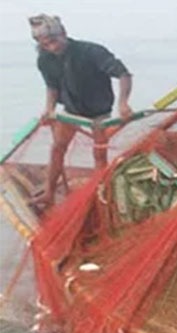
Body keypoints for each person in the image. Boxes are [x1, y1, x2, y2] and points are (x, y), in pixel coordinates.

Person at [29, 14, 133, 209]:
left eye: (54, 41)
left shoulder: (91, 51)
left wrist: (123, 103)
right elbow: (52, 87)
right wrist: (49, 109)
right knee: (57, 148)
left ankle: (100, 196)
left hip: (99, 113)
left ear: (63, 33)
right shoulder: (45, 59)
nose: (52, 47)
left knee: (99, 155)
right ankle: (49, 193)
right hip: (71, 110)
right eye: (45, 44)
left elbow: (123, 74)